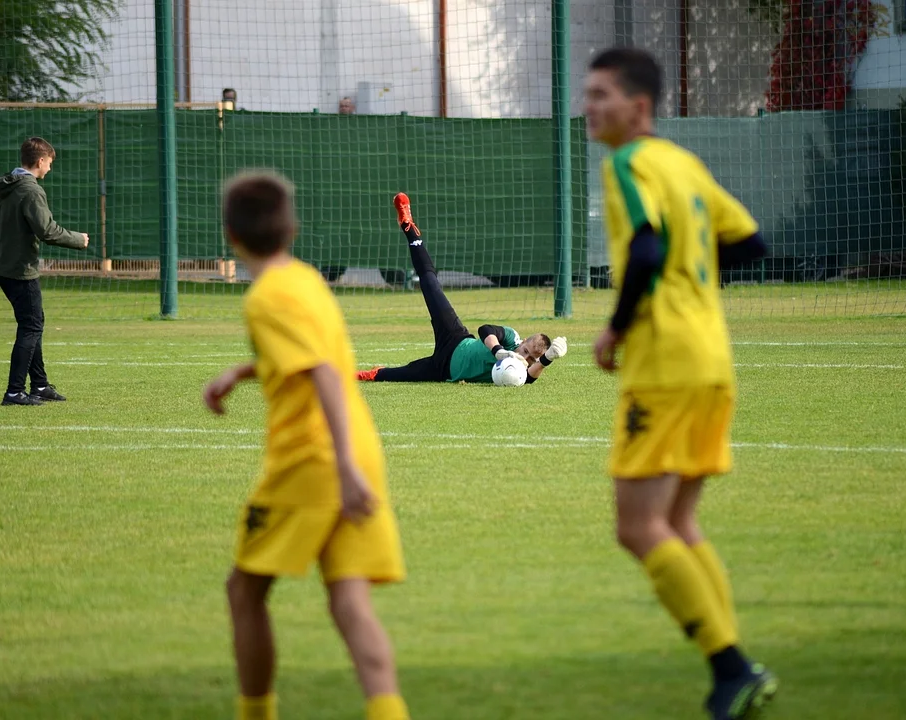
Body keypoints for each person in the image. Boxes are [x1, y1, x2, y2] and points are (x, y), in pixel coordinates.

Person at [584, 48, 777, 719]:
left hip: (664, 363)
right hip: (712, 361)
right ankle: (738, 664)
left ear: (639, 108)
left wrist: (614, 327)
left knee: (639, 528)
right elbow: (749, 242)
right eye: (588, 93)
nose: (590, 105)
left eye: (602, 94)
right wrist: (689, 267)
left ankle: (732, 667)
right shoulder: (685, 165)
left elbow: (644, 248)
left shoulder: (628, 164)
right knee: (678, 521)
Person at [202, 171, 410, 720]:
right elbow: (307, 353)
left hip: (317, 461)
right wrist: (242, 372)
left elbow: (320, 371)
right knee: (348, 599)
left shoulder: (265, 297)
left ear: (231, 235)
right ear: (292, 228)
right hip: (361, 448)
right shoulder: (306, 280)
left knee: (243, 591)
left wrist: (341, 468)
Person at [357, 193, 568, 385]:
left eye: (531, 358)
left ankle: (365, 374)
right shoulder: (512, 338)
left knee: (397, 375)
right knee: (430, 284)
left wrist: (547, 359)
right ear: (523, 343)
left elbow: (530, 378)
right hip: (455, 338)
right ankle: (410, 229)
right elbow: (486, 329)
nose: (525, 358)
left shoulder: (521, 371)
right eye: (526, 351)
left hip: (443, 370)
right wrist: (498, 351)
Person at [0, 137, 89, 406]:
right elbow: (46, 231)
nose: (49, 168)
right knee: (31, 325)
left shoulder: (3, 184)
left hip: (2, 266)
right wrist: (78, 240)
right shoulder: (30, 190)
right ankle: (14, 391)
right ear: (40, 161)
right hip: (20, 268)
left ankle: (40, 385)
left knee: (32, 322)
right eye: (50, 163)